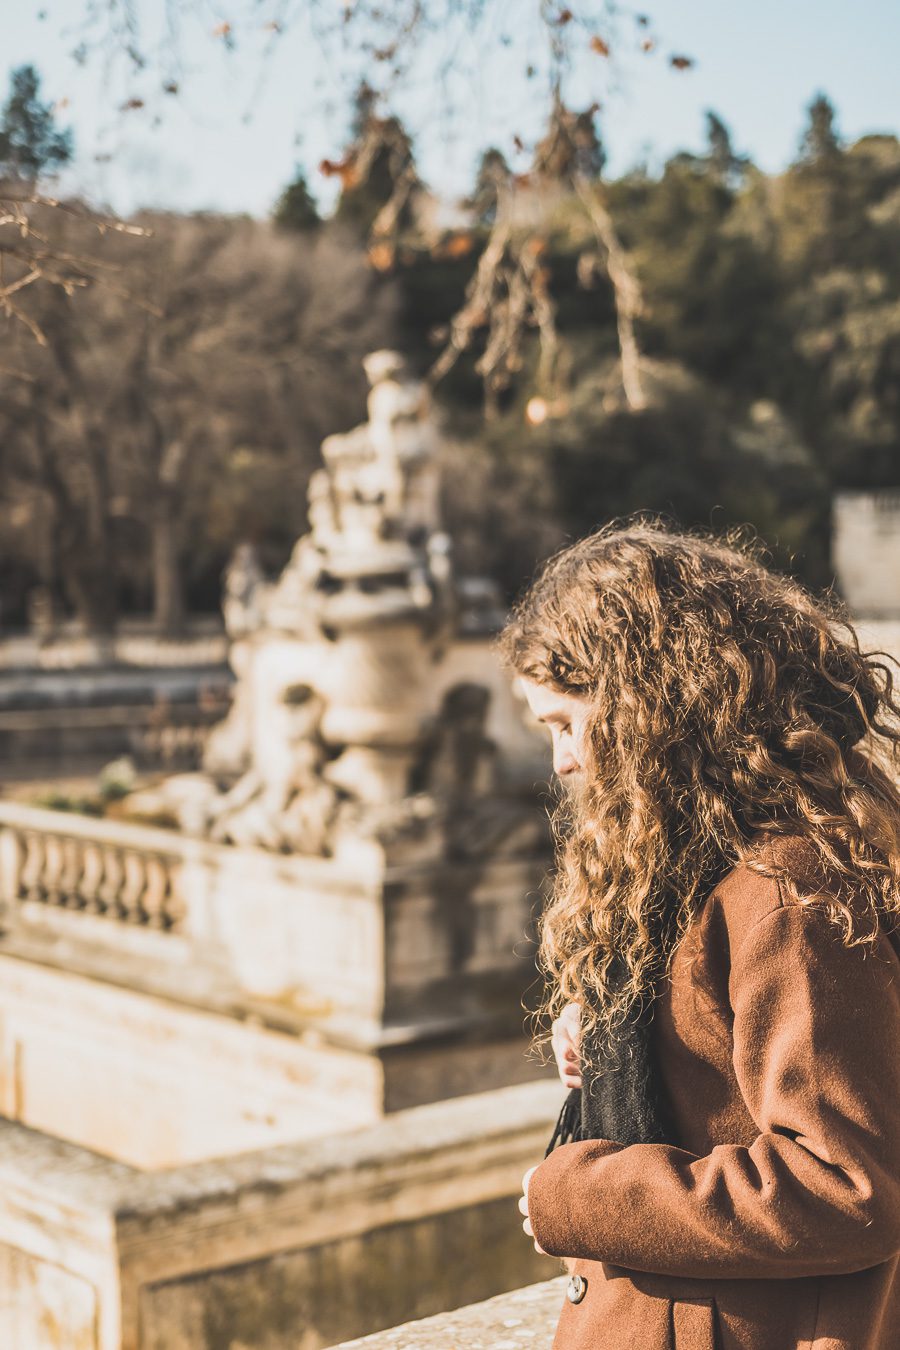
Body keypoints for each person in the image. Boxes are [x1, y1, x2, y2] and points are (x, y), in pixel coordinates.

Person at [501, 521, 900, 1350]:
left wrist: (579, 1198)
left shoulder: (783, 892)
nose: (561, 763)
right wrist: (622, 1034)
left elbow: (848, 1186)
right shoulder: (699, 866)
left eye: (567, 723)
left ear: (650, 706)